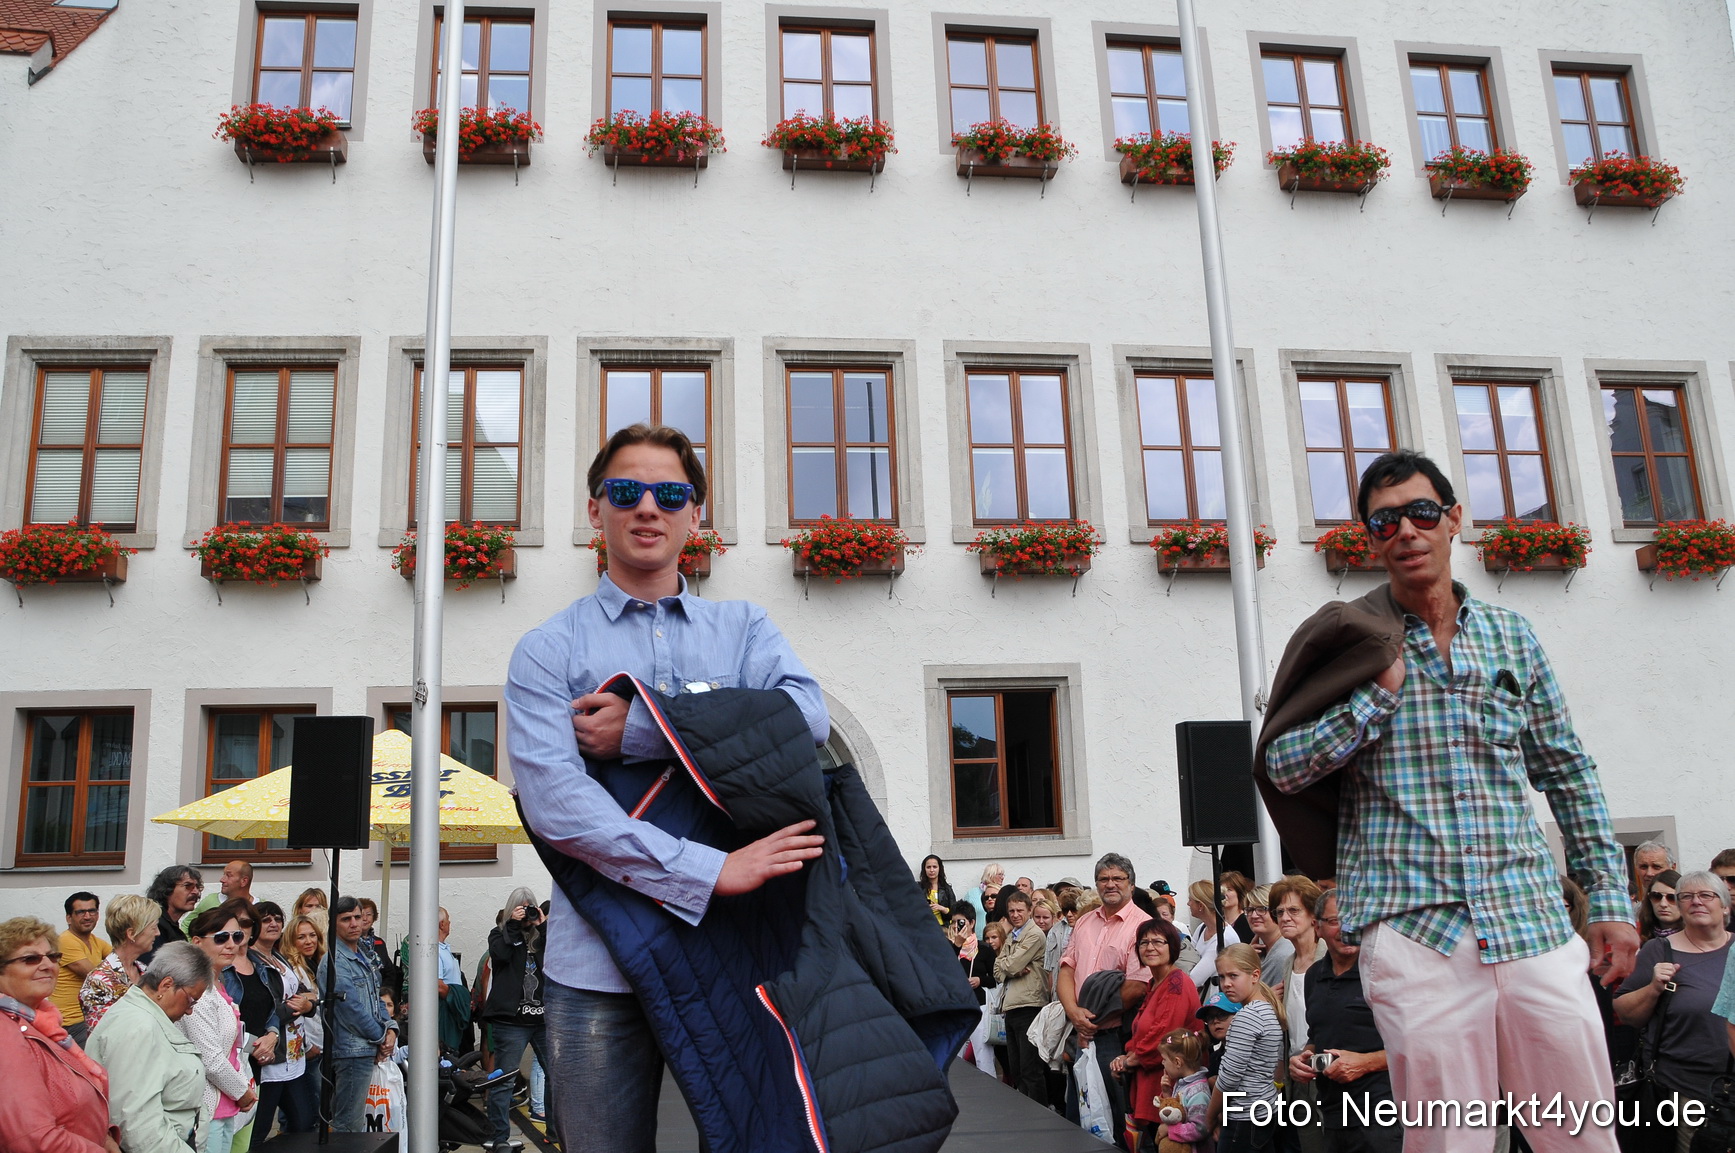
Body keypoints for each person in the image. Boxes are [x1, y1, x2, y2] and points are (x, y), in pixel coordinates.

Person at [1263, 449, 1638, 1153]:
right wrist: (1373, 696)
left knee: (1581, 1134)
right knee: (1448, 1143)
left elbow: (1565, 769)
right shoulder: (1351, 641)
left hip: (1527, 915)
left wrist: (1609, 897)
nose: (1404, 529)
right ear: (1368, 537)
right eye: (1383, 520)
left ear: (1451, 519)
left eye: (1420, 512)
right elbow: (1280, 764)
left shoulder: (1511, 635)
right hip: (1415, 929)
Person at [505, 422, 831, 1152]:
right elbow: (558, 806)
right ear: (597, 510)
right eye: (626, 490)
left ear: (695, 513)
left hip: (734, 957)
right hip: (597, 967)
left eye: (670, 492)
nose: (647, 506)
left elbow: (807, 716)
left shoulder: (744, 627)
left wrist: (646, 729)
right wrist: (711, 868)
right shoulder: (548, 648)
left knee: (764, 1139)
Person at [1614, 871, 1733, 1153]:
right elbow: (1624, 1011)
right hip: (1685, 1090)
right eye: (1687, 897)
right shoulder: (1660, 950)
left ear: (1725, 905)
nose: (1696, 902)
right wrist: (1654, 987)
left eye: (1706, 895)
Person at [1286, 890, 1400, 1153]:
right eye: (1337, 920)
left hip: (1384, 1116)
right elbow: (1318, 1035)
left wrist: (1364, 1063)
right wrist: (1303, 1059)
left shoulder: (1386, 973)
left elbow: (1420, 1045)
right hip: (1333, 1116)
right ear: (1318, 926)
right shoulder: (1315, 975)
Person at [0, 916, 120, 1153]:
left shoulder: (43, 1022)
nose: (48, 965)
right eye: (30, 959)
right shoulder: (7, 1033)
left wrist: (106, 1138)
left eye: (52, 956)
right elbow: (33, 1140)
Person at [1058, 853, 1153, 1144]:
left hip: (1113, 1037)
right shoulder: (1085, 921)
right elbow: (1066, 969)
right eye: (1104, 879)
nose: (1110, 884)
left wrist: (1091, 1021)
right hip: (1079, 1032)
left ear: (1131, 884)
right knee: (1078, 1114)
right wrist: (1075, 1014)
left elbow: (1138, 985)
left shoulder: (1144, 926)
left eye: (1117, 879)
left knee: (1113, 1117)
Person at [85, 942, 212, 1153]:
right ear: (165, 985)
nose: (190, 1011)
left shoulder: (146, 1016)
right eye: (191, 1000)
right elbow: (138, 1127)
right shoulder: (138, 1027)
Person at [1110, 918, 1200, 1152]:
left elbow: (1165, 1033)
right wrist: (1127, 1056)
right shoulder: (1155, 983)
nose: (1150, 947)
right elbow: (1143, 1031)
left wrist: (1129, 1060)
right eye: (1144, 942)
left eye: (1158, 942)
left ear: (1172, 946)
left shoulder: (1176, 983)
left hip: (1168, 1082)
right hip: (1148, 1076)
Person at [184, 904, 260, 1153]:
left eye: (237, 936)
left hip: (226, 1102)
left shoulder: (218, 982)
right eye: (221, 938)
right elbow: (210, 1058)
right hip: (206, 1107)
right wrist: (243, 1092)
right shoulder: (196, 990)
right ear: (196, 942)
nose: (231, 944)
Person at [484, 887, 551, 1153]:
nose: (527, 911)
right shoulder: (499, 934)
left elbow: (561, 954)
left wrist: (542, 926)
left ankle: (556, 1131)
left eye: (530, 907)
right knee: (504, 1081)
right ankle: (500, 1137)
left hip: (545, 1020)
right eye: (521, 907)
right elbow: (500, 956)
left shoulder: (544, 937)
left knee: (557, 1078)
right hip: (511, 1022)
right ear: (512, 908)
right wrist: (512, 924)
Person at [321, 897, 396, 1133]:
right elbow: (350, 1010)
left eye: (357, 917)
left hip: (368, 1046)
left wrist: (391, 1028)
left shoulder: (365, 952)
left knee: (360, 1123)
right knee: (348, 1125)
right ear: (334, 924)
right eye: (346, 919)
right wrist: (381, 1036)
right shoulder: (334, 961)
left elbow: (378, 998)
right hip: (352, 1051)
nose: (354, 923)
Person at [1210, 943, 1287, 1153]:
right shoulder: (1265, 1009)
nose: (1226, 984)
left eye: (1233, 976)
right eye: (1221, 977)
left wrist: (1208, 1118)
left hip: (1244, 1117)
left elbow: (1229, 1077)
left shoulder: (1247, 1016)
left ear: (1255, 975)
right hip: (1263, 1111)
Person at [250, 902, 311, 1148]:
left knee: (303, 1122)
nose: (273, 923)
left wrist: (308, 1005)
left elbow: (306, 993)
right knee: (259, 1128)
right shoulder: (251, 961)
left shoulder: (278, 956)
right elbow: (265, 1008)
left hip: (294, 1053)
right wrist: (297, 1007)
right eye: (266, 920)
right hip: (271, 1056)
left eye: (277, 918)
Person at [994, 889, 1048, 1105]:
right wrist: (1012, 968)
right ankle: (1026, 1110)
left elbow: (1010, 964)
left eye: (1019, 910)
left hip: (1030, 1005)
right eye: (1011, 911)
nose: (1015, 915)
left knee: (1030, 1069)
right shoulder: (1012, 935)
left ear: (1029, 910)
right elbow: (998, 970)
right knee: (1016, 1069)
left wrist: (1010, 966)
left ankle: (1040, 1113)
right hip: (1012, 1005)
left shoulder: (1034, 934)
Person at [81, 893, 160, 1034]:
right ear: (132, 934)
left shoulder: (144, 971)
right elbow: (102, 1036)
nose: (157, 933)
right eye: (153, 928)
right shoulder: (99, 980)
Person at [281, 911, 327, 1130]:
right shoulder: (294, 969)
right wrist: (308, 1046)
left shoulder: (317, 964)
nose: (308, 941)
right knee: (308, 1111)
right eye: (301, 937)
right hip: (308, 1048)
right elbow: (296, 1012)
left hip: (317, 1046)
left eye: (312, 935)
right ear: (291, 940)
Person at [53, 891, 108, 1045]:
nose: (87, 916)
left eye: (92, 911)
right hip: (71, 1023)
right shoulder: (66, 941)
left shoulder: (95, 941)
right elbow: (97, 978)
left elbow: (121, 960)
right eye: (81, 912)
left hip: (90, 1017)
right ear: (68, 918)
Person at [1154, 1029, 1213, 1153]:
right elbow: (1177, 1112)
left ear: (1177, 1062)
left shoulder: (1198, 1092)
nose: (1162, 1063)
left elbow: (1201, 1128)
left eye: (1164, 1059)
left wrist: (1170, 1130)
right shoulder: (1182, 1083)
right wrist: (1167, 1094)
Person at [142, 865, 203, 965]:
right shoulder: (154, 925)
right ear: (167, 890)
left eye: (197, 887)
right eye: (188, 886)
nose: (196, 892)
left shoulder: (170, 926)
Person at [1185, 880, 1237, 991]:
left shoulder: (1224, 938)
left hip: (1215, 999)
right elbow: (1189, 957)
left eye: (1190, 900)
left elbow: (1194, 979)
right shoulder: (1202, 928)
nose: (1188, 904)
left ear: (1200, 906)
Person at [1243, 885, 1292, 991]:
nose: (1254, 915)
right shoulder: (1259, 952)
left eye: (1262, 909)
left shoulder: (1283, 954)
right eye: (1250, 910)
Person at [356, 898, 402, 998]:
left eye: (369, 915)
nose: (365, 918)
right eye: (361, 915)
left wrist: (383, 992)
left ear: (374, 918)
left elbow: (390, 971)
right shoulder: (351, 942)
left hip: (380, 995)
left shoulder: (379, 943)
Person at [1196, 991, 1238, 1080]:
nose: (1215, 1021)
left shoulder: (1252, 1053)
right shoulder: (1214, 1058)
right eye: (1210, 1018)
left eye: (1222, 1015)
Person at [1640, 871, 1685, 940]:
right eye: (1656, 896)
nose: (1663, 904)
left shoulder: (1698, 937)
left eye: (1672, 898)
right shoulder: (1637, 935)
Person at [919, 855, 956, 926]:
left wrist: (942, 908)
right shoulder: (919, 888)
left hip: (943, 927)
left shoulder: (946, 889)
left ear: (940, 868)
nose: (931, 870)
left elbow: (954, 912)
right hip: (924, 926)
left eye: (934, 867)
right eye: (928, 867)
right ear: (924, 869)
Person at [1220, 871, 1254, 948]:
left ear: (1239, 893)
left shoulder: (1246, 921)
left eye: (1229, 889)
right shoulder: (1218, 922)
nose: (1224, 894)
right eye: (1222, 889)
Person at [964, 864, 1005, 929]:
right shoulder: (972, 893)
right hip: (976, 936)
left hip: (997, 935)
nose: (1002, 877)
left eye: (1003, 875)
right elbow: (963, 915)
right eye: (1000, 874)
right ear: (990, 875)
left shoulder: (1003, 893)